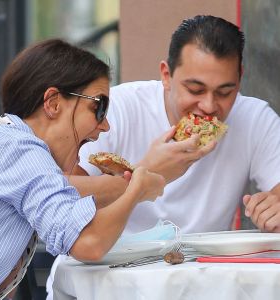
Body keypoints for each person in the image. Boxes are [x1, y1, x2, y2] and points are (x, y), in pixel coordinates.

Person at [46, 14, 280, 297]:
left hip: (202, 284)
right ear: (166, 75)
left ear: (240, 79)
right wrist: (146, 172)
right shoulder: (117, 110)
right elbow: (61, 192)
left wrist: (274, 207)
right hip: (108, 281)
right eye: (195, 89)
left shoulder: (255, 118)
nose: (208, 106)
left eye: (225, 92)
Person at [0, 38, 176, 300]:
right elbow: (88, 243)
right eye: (99, 107)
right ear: (52, 103)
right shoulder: (21, 150)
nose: (105, 125)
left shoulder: (5, 144)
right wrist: (136, 189)